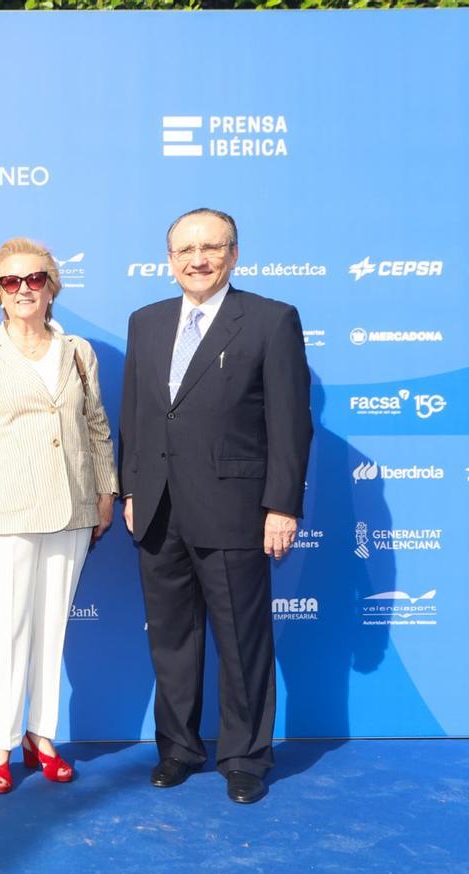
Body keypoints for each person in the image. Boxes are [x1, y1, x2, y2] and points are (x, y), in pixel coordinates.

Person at [119, 208, 312, 804]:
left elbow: (290, 422)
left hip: (235, 507)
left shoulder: (270, 320)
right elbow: (136, 414)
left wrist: (281, 506)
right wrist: (130, 489)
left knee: (241, 638)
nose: (197, 260)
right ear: (168, 259)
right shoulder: (146, 322)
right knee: (172, 639)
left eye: (211, 247)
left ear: (234, 254)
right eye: (185, 250)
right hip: (157, 507)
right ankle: (177, 749)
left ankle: (246, 756)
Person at [0, 238, 118, 794]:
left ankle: (41, 737)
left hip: (71, 510)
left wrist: (105, 493)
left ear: (52, 287)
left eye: (35, 279)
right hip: (6, 516)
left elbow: (96, 426)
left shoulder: (77, 352)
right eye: (11, 282)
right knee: (7, 632)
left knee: (52, 630)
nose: (24, 290)